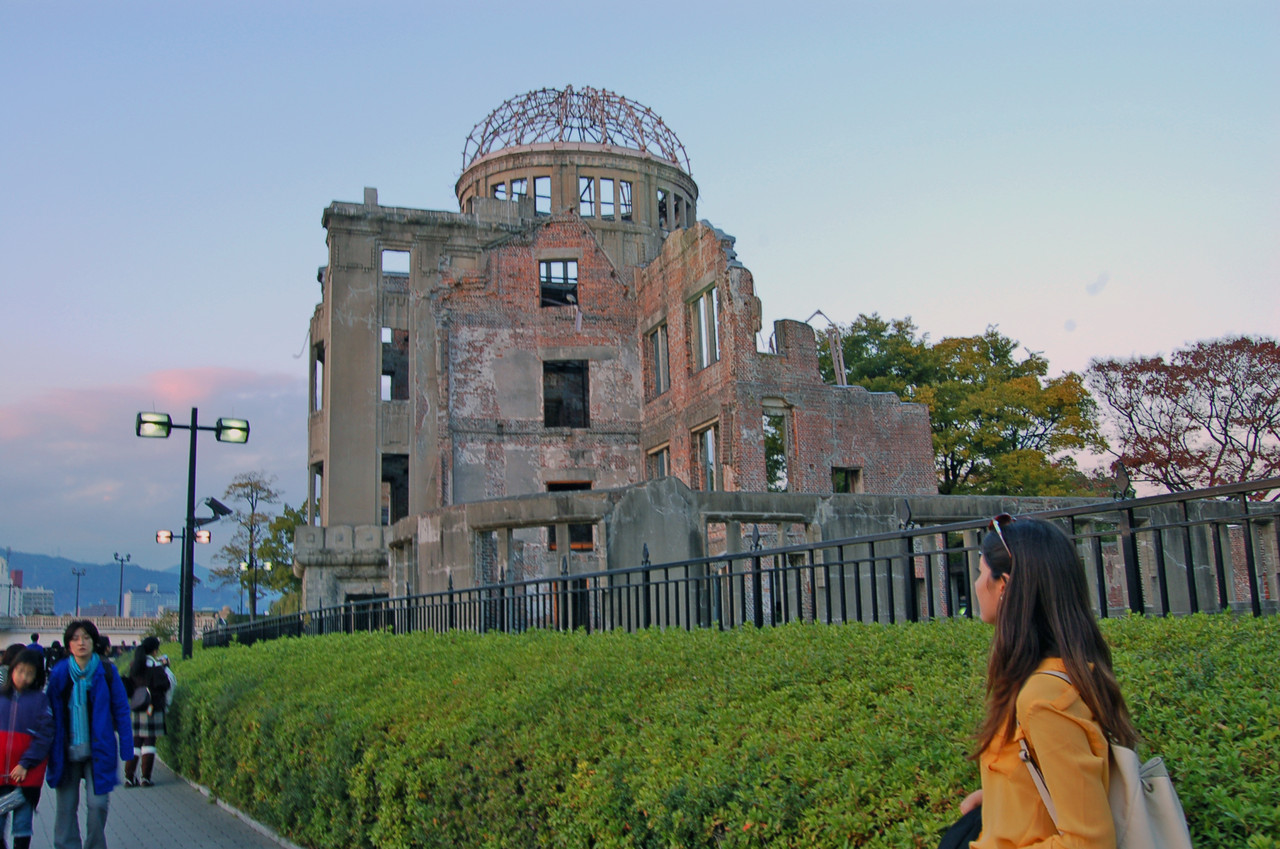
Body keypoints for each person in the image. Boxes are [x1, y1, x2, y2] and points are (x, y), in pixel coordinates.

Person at [943, 516, 1137, 849]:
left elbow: (1089, 841)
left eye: (979, 571)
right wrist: (997, 796)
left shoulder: (1042, 698)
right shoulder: (1064, 673)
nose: (975, 584)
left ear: (1003, 584)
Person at [45, 620, 132, 849]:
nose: (81, 642)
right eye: (75, 638)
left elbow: (121, 708)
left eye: (86, 637)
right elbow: (48, 713)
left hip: (99, 749)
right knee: (66, 809)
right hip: (66, 749)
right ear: (68, 645)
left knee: (98, 805)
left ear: (94, 642)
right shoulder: (59, 674)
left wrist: (126, 746)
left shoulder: (106, 671)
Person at [0, 649, 54, 849]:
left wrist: (25, 763)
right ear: (12, 669)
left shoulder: (40, 701)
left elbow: (44, 736)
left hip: (25, 779)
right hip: (0, 776)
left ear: (37, 676)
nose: (24, 677)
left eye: (29, 673)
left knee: (22, 826)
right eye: (20, 671)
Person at [122, 638, 174, 788]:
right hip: (153, 708)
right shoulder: (156, 667)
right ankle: (145, 778)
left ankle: (129, 777)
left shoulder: (135, 665)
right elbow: (165, 685)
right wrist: (166, 668)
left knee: (136, 742)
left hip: (138, 707)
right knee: (149, 742)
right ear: (155, 650)